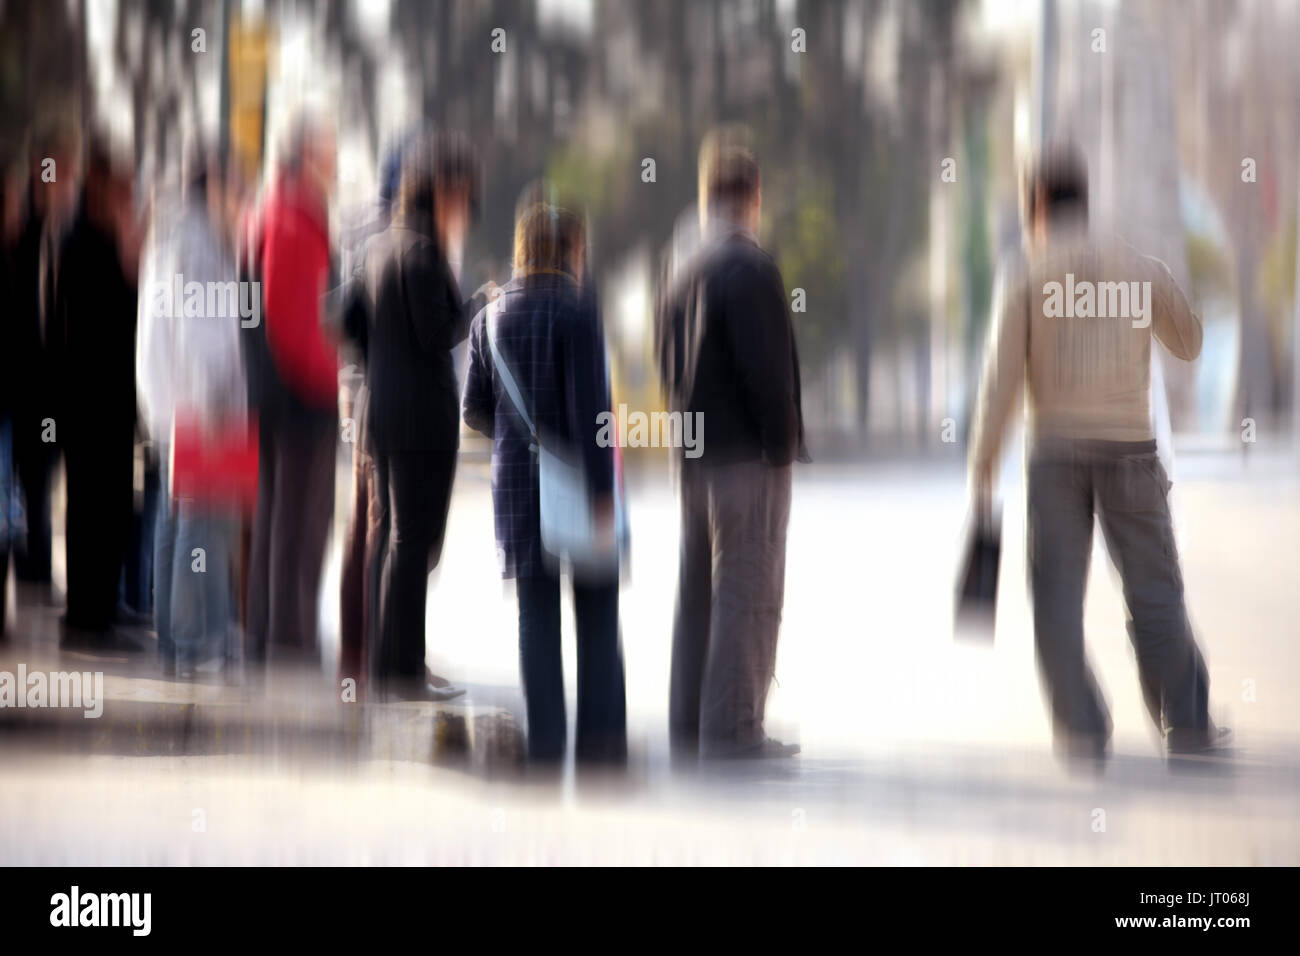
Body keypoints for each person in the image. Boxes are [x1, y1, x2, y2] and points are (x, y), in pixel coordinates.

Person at [968, 142, 1230, 762]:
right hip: (1131, 450)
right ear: (1083, 200)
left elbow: (1000, 380)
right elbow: (1190, 342)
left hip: (1055, 454)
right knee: (1154, 593)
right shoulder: (1135, 265)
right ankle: (1188, 723)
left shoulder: (1025, 275)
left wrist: (982, 466)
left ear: (1036, 204)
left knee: (1056, 598)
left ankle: (1083, 728)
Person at [654, 128, 808, 760]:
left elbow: (665, 361)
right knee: (746, 592)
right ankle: (734, 729)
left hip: (690, 455)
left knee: (697, 594)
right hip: (745, 460)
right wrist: (781, 445)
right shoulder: (750, 266)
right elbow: (768, 375)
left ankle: (689, 721)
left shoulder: (678, 263)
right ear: (755, 195)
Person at [463, 201, 627, 766]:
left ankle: (547, 745)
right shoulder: (577, 312)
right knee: (597, 611)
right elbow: (594, 419)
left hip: (515, 488)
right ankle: (602, 746)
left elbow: (474, 411)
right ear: (567, 249)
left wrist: (518, 438)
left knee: (535, 614)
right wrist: (603, 496)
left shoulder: (488, 317)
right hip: (577, 485)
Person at [355, 133, 482, 700]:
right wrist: (480, 304)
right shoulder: (423, 253)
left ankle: (395, 660)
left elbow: (351, 322)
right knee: (413, 543)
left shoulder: (380, 246)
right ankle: (400, 669)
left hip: (382, 413)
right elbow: (439, 333)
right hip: (419, 422)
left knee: (394, 542)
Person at [136, 151, 246, 679]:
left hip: (168, 404)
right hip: (201, 409)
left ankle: (175, 644)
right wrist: (215, 403)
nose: (241, 201)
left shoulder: (169, 233)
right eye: (236, 188)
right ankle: (192, 641)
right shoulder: (200, 242)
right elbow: (203, 336)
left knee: (174, 521)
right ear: (216, 186)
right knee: (198, 528)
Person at [245, 117, 339, 666]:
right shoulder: (288, 220)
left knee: (288, 516)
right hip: (301, 396)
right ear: (305, 156)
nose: (335, 163)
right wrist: (327, 374)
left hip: (295, 392)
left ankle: (280, 630)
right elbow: (287, 320)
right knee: (297, 522)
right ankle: (288, 635)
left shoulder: (286, 214)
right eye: (327, 152)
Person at [46, 140, 141, 643]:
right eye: (122, 184)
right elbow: (85, 323)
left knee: (112, 505)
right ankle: (86, 613)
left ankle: (103, 604)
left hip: (112, 400)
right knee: (88, 507)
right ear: (103, 183)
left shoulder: (101, 236)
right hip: (88, 401)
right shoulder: (80, 239)